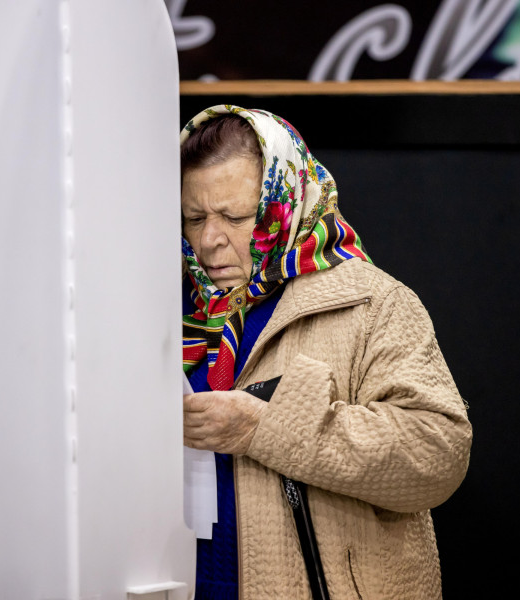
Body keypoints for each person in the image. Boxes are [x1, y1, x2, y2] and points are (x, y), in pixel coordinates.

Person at [180, 105, 472, 599]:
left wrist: (262, 428)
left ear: (285, 202)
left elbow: (438, 453)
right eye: (192, 217)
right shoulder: (157, 312)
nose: (210, 241)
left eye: (236, 216)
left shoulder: (373, 302)